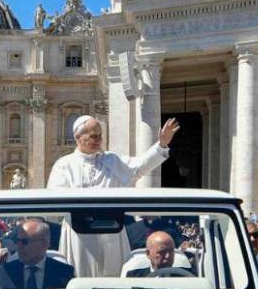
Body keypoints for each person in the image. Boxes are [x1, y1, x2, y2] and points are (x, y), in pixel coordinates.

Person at [47, 114, 180, 276]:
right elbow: (55, 199)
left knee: (114, 278)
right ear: (78, 137)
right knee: (80, 279)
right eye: (93, 136)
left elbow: (139, 167)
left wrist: (161, 145)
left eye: (100, 135)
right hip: (79, 235)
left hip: (112, 232)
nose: (98, 139)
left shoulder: (112, 160)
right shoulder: (64, 165)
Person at [0, 219, 75, 289]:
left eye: (24, 241)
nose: (18, 246)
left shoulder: (64, 272)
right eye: (17, 241)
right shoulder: (4, 271)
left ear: (44, 244)